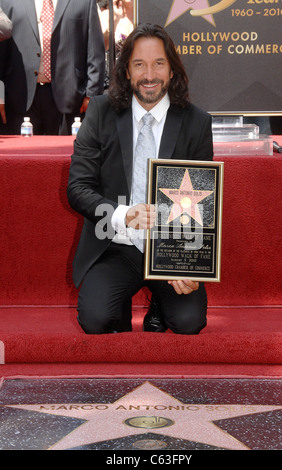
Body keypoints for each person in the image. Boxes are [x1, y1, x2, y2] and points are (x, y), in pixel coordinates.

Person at [67, 23, 213, 335]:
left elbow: (202, 205)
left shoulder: (196, 122)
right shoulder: (100, 112)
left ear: (172, 70)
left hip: (171, 247)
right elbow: (78, 188)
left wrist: (191, 265)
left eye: (159, 63)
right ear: (127, 72)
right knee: (96, 320)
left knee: (189, 323)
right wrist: (124, 214)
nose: (149, 75)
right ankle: (118, 303)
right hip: (115, 242)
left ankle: (160, 305)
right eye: (139, 64)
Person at [0, 0, 105, 135]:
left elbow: (95, 51)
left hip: (71, 99)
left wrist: (92, 95)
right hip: (20, 98)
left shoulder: (84, 2)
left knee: (67, 154)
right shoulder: (8, 2)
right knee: (24, 154)